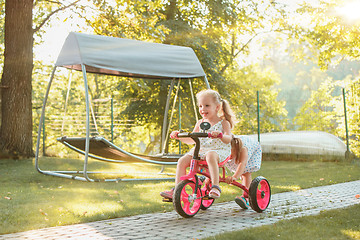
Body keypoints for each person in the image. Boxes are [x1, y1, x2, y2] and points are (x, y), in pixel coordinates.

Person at [160, 89, 235, 199]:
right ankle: (177, 190)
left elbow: (228, 139)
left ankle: (215, 186)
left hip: (219, 151)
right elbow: (192, 140)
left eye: (207, 105)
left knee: (210, 155)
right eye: (200, 106)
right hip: (201, 150)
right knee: (182, 161)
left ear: (217, 107)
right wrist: (179, 136)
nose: (202, 109)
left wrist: (220, 135)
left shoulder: (224, 123)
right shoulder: (200, 123)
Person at [224, 135, 262, 209]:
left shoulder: (243, 149)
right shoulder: (225, 148)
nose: (228, 155)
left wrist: (234, 177)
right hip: (237, 146)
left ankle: (246, 197)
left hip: (252, 148)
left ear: (235, 150)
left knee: (245, 173)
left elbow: (243, 163)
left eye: (230, 153)